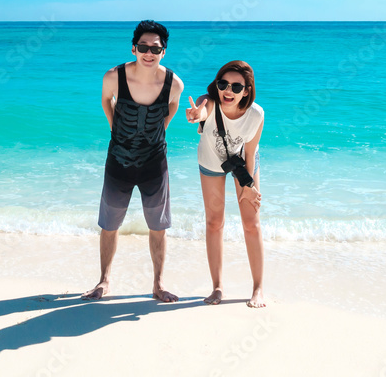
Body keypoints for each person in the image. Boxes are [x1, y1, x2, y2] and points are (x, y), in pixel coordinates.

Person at [82, 20, 184, 302]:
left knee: (158, 226)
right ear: (134, 48)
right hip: (119, 160)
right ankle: (103, 281)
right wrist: (114, 125)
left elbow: (173, 104)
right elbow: (106, 99)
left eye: (155, 48)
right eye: (143, 47)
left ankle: (158, 284)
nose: (148, 53)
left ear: (164, 51)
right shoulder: (114, 76)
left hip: (154, 162)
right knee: (109, 224)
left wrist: (161, 127)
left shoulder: (173, 83)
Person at [186, 60, 266, 308]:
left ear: (247, 90)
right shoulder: (209, 101)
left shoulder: (256, 114)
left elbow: (250, 154)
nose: (228, 91)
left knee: (251, 223)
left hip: (242, 164)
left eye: (236, 86)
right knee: (214, 222)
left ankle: (258, 288)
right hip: (211, 162)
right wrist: (196, 115)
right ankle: (217, 287)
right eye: (223, 84)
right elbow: (202, 110)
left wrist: (249, 187)